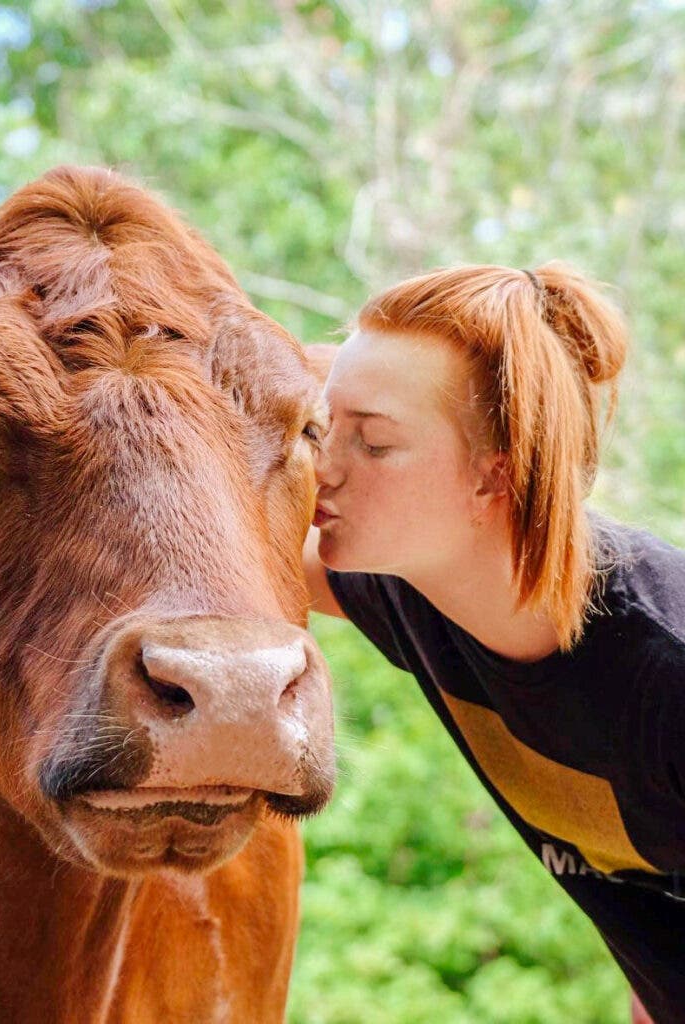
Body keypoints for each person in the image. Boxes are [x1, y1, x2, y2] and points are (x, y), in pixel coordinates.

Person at [304, 264, 684, 1024]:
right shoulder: (409, 592)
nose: (322, 466)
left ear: (495, 475)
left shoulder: (665, 674)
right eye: (323, 427)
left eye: (372, 443)